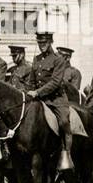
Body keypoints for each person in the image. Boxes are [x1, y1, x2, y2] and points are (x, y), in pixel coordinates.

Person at [25, 30, 72, 167]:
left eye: (44, 42)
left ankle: (66, 154)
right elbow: (31, 81)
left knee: (64, 122)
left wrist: (37, 92)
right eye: (39, 43)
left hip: (56, 100)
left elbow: (55, 82)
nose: (41, 45)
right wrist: (29, 91)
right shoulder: (37, 59)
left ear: (50, 42)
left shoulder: (58, 59)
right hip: (39, 100)